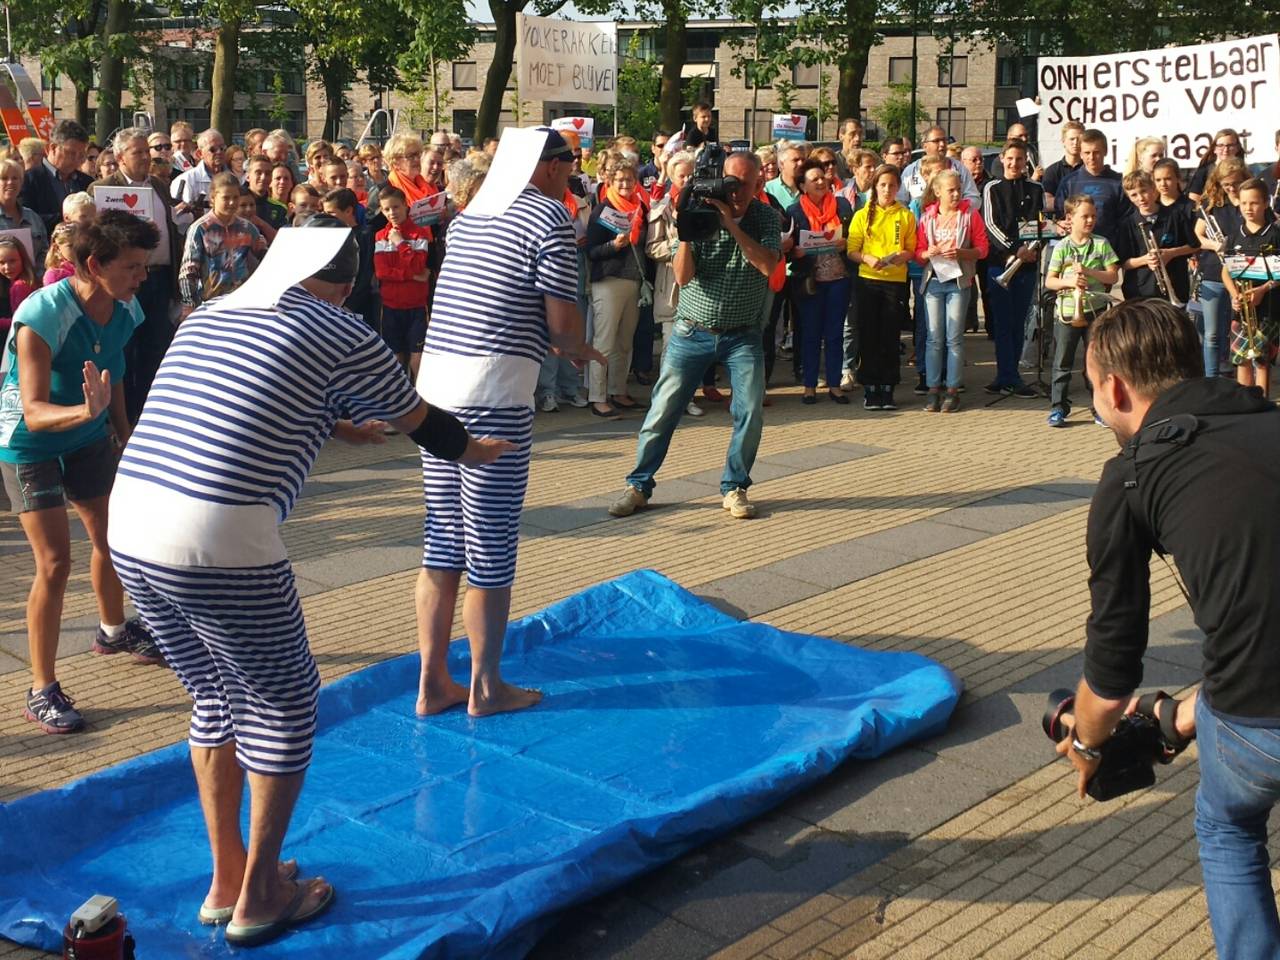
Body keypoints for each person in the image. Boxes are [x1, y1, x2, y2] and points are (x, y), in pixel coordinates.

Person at [107, 214, 512, 945]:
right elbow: (424, 422)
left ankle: (227, 876)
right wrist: (477, 451)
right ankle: (262, 895)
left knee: (214, 695)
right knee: (286, 708)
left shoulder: (210, 313)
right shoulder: (341, 331)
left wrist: (335, 422)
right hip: (220, 535)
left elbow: (234, 400)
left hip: (131, 522)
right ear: (348, 285)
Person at [1054, 297, 1280, 960]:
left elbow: (1112, 665)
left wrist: (1090, 748)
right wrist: (1176, 719)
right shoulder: (1267, 418)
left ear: (1115, 389)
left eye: (1093, 392)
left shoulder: (1129, 478)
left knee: (1228, 825)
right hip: (1249, 688)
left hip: (1262, 720)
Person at [414, 129, 600, 719]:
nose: (573, 170)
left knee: (443, 542)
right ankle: (486, 687)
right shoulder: (548, 217)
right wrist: (577, 348)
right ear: (544, 167)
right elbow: (562, 322)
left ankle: (432, 683)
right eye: (568, 160)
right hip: (492, 394)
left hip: (436, 391)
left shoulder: (469, 215)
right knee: (490, 547)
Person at [0, 211, 164, 735]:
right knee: (54, 562)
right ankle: (40, 690)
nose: (143, 276)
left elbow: (110, 370)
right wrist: (86, 415)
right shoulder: (42, 315)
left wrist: (124, 431)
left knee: (112, 539)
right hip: (31, 442)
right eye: (133, 267)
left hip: (88, 431)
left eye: (144, 265)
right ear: (94, 264)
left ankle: (114, 631)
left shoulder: (125, 306)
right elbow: (32, 410)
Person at [608, 150, 780, 521]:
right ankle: (638, 486)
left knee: (749, 411)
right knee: (662, 411)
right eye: (729, 182)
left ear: (757, 185)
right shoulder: (697, 211)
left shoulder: (765, 215)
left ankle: (735, 487)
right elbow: (683, 276)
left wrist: (731, 225)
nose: (733, 191)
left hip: (743, 334)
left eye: (743, 185)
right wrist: (687, 230)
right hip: (692, 330)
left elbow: (767, 265)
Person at [93, 127, 182, 422]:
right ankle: (123, 418)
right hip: (123, 284)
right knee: (124, 350)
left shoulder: (158, 185)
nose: (146, 157)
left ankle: (150, 415)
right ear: (119, 157)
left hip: (158, 279)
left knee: (156, 348)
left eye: (148, 151)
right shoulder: (104, 189)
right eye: (138, 152)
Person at [916, 169, 988, 413]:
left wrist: (961, 253)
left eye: (958, 189)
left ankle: (953, 390)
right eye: (951, 190)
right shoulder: (927, 217)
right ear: (938, 192)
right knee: (934, 338)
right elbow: (918, 252)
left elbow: (982, 248)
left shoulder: (970, 215)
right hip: (934, 281)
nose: (956, 194)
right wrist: (928, 253)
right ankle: (933, 389)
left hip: (959, 281)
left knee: (954, 338)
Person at [1045, 194, 1120, 427]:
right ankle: (1058, 408)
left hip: (1094, 311)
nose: (1090, 221)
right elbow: (1050, 281)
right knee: (1062, 363)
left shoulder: (1101, 243)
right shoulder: (1062, 247)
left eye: (1093, 216)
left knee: (1095, 363)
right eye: (1084, 216)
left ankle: (1099, 408)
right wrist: (1069, 283)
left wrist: (1089, 272)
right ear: (1070, 218)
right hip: (1067, 312)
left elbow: (1113, 275)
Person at [848, 163, 915, 410]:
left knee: (890, 337)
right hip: (868, 281)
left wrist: (902, 256)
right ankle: (870, 387)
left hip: (894, 282)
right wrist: (867, 258)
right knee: (869, 336)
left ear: (899, 187)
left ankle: (888, 387)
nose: (887, 190)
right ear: (875, 187)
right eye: (883, 185)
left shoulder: (905, 215)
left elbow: (911, 248)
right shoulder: (862, 215)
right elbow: (852, 250)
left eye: (892, 185)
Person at [787, 159, 853, 405]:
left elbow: (854, 236)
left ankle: (835, 385)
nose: (820, 181)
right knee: (811, 334)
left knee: (835, 333)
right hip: (809, 281)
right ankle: (810, 386)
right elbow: (787, 246)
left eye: (822, 177)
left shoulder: (842, 205)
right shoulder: (795, 211)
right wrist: (796, 251)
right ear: (803, 186)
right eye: (813, 179)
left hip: (838, 279)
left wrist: (846, 243)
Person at [585, 157, 646, 419]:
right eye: (620, 180)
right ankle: (597, 397)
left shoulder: (639, 209)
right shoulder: (603, 210)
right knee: (604, 342)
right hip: (608, 282)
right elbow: (592, 251)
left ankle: (618, 390)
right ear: (610, 181)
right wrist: (614, 246)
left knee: (624, 342)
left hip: (633, 281)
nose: (625, 184)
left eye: (629, 179)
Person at [983, 140, 1045, 398]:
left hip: (1027, 267)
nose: (1014, 164)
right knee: (1002, 323)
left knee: (1018, 323)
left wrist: (1032, 250)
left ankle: (1012, 375)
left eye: (1020, 159)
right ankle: (1005, 373)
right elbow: (991, 224)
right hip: (1000, 265)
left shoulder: (1036, 188)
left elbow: (1041, 225)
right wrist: (1013, 250)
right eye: (1010, 159)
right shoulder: (992, 188)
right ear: (1002, 158)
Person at [1221, 179, 1280, 396]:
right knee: (1242, 360)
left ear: (1266, 203)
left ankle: (1263, 404)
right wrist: (1234, 294)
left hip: (1268, 310)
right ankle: (1246, 404)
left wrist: (1262, 290)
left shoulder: (1275, 235)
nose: (1248, 208)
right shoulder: (1235, 236)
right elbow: (1226, 271)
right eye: (1244, 203)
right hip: (1241, 312)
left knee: (1262, 361)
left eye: (1254, 203)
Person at [178, 172, 265, 316]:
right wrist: (189, 304)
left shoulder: (247, 227)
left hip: (242, 301)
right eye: (226, 198)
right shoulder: (200, 228)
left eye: (235, 197)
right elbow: (188, 271)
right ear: (213, 198)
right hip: (211, 303)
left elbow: (265, 257)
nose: (231, 202)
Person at [1194, 158, 1247, 379]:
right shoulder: (1212, 204)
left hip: (1244, 274)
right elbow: (1198, 236)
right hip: (1215, 272)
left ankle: (1241, 376)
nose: (1231, 189)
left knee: (1241, 330)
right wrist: (1216, 245)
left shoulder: (1248, 202)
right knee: (1213, 333)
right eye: (1226, 184)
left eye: (1235, 183)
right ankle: (1211, 378)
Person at [1116, 171, 1198, 304]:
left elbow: (1194, 246)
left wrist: (1171, 253)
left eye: (1144, 191)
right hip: (1140, 290)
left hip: (1176, 284)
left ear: (1153, 189)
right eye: (1134, 195)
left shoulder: (1175, 215)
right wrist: (1145, 260)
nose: (1141, 198)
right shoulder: (1127, 224)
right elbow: (1123, 263)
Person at [373, 185, 431, 373]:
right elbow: (382, 272)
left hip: (416, 307)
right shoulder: (380, 236)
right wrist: (411, 276)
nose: (392, 213)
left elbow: (418, 266)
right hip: (391, 307)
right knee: (396, 359)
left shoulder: (419, 233)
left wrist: (400, 243)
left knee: (418, 360)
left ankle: (422, 400)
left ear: (405, 205)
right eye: (386, 209)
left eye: (396, 207)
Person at [1054, 129, 1131, 247]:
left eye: (1096, 152)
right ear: (1080, 153)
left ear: (1105, 151)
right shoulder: (1068, 182)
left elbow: (1126, 221)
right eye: (1087, 153)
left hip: (1109, 253)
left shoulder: (1118, 182)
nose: (1092, 157)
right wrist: (1059, 225)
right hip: (1075, 252)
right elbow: (1059, 217)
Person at [20, 119, 92, 233]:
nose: (77, 159)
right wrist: (70, 220)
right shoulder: (28, 180)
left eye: (81, 155)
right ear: (52, 148)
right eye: (71, 153)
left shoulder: (86, 181)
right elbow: (26, 218)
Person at [321, 188, 378, 331]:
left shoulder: (365, 235)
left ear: (348, 211)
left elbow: (366, 272)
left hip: (360, 307)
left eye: (331, 213)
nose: (326, 218)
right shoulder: (329, 237)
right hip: (333, 306)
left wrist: (350, 305)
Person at [900, 126, 979, 207]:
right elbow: (901, 201)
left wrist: (957, 209)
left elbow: (974, 198)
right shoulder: (911, 171)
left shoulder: (960, 169)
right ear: (924, 146)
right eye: (936, 141)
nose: (942, 144)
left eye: (944, 140)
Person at [171, 129, 228, 233]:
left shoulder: (233, 179)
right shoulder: (186, 180)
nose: (219, 152)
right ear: (199, 153)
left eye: (222, 148)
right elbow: (178, 221)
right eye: (213, 149)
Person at [0, 157, 49, 268]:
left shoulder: (33, 217)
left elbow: (44, 251)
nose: (10, 182)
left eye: (15, 178)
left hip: (33, 282)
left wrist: (35, 277)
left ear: (21, 182)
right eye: (4, 178)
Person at [1187, 128, 1244, 203]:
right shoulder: (1204, 171)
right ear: (1214, 149)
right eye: (1221, 145)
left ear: (1237, 148)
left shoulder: (1243, 170)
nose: (1226, 149)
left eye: (1230, 145)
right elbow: (1193, 198)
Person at [1041, 121, 1084, 214]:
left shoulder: (1090, 169)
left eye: (1079, 139)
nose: (1075, 142)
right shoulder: (1052, 171)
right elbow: (1046, 203)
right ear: (1063, 141)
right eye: (1072, 139)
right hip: (1062, 224)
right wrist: (1079, 207)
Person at [0, 235, 37, 334]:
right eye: (1, 263)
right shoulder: (11, 283)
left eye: (12, 261)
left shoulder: (20, 286)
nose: (7, 267)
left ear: (23, 260)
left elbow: (21, 321)